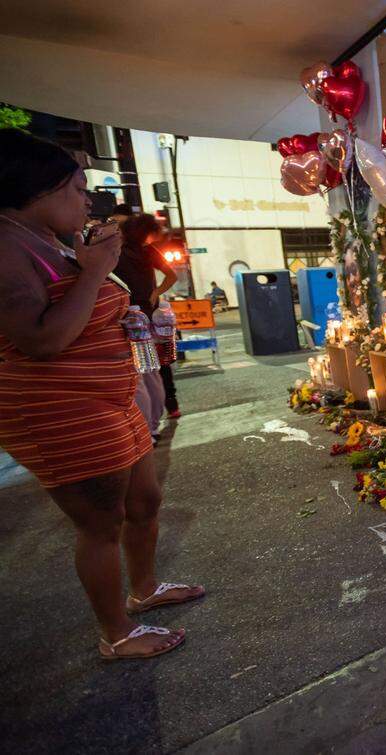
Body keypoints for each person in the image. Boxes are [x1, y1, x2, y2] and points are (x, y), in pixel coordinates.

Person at [0, 130, 203, 660]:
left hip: (108, 396)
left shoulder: (48, 239)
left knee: (144, 500)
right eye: (74, 187)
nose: (85, 200)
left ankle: (144, 589)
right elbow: (42, 339)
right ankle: (116, 634)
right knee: (100, 521)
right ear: (34, 189)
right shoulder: (4, 244)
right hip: (63, 408)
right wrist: (94, 274)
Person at [115, 213, 179, 432]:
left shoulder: (117, 253)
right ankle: (154, 422)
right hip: (148, 316)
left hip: (128, 317)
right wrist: (156, 292)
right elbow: (172, 276)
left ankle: (149, 429)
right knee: (152, 372)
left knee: (139, 377)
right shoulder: (149, 252)